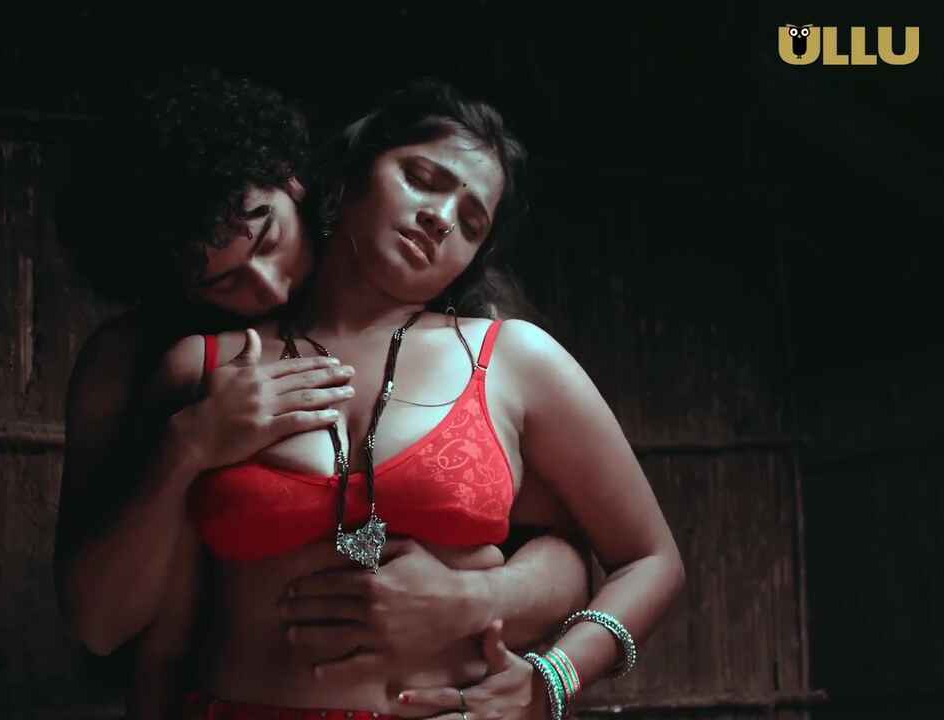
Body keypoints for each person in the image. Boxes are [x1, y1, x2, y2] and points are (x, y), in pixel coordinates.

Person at [129, 78, 685, 720]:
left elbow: (652, 560)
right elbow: (159, 643)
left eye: (471, 222)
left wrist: (550, 680)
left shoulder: (513, 360)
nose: (441, 218)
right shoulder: (205, 367)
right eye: (422, 179)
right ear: (354, 171)